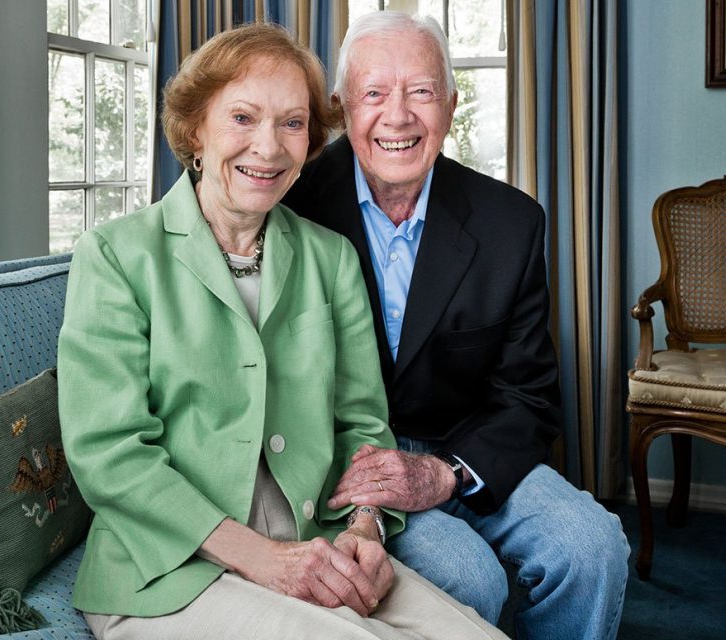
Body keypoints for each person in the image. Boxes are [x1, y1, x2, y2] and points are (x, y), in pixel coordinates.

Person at [57, 22, 505, 640]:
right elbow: (109, 454)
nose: (267, 148)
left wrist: (366, 528)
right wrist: (263, 559)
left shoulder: (330, 258)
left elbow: (362, 424)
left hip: (315, 544)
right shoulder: (115, 255)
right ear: (195, 129)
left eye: (292, 123)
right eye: (242, 117)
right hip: (169, 569)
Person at [283, 11, 629, 640]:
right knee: (471, 578)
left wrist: (447, 472)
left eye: (421, 91)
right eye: (374, 93)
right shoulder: (290, 203)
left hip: (462, 449)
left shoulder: (511, 223)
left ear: (450, 103)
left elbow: (527, 395)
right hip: (343, 461)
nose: (398, 116)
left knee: (592, 545)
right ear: (340, 107)